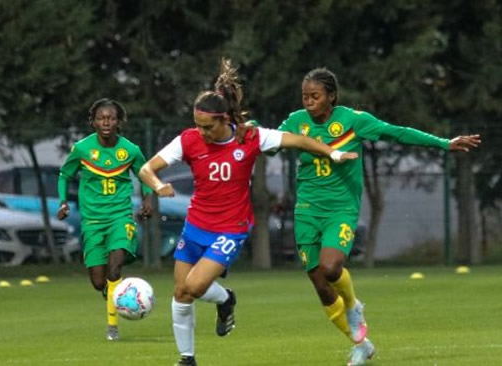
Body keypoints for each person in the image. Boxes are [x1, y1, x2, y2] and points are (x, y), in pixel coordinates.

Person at [138, 59, 358, 366]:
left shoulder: (251, 138)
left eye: (207, 127)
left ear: (224, 119)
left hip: (231, 227)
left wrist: (333, 152)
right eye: (197, 125)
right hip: (196, 225)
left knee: (196, 286)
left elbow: (300, 140)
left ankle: (226, 298)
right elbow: (147, 168)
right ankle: (187, 358)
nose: (200, 133)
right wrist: (158, 185)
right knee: (181, 292)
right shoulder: (189, 139)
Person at [267, 67, 481, 365]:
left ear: (331, 96)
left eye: (315, 96)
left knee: (331, 268)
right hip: (306, 210)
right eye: (305, 96)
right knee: (321, 287)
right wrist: (250, 128)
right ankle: (362, 345)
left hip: (340, 209)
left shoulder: (354, 121)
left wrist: (444, 144)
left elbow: (398, 133)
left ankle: (354, 306)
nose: (308, 102)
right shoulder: (296, 122)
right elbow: (269, 145)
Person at [57, 98, 153, 341]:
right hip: (92, 220)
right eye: (101, 118)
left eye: (111, 118)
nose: (106, 122)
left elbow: (144, 175)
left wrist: (147, 199)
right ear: (93, 122)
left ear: (118, 121)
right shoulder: (81, 149)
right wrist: (63, 202)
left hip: (120, 216)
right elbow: (64, 175)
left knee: (115, 268)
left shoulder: (131, 150)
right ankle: (110, 292)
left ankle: (113, 327)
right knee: (99, 281)